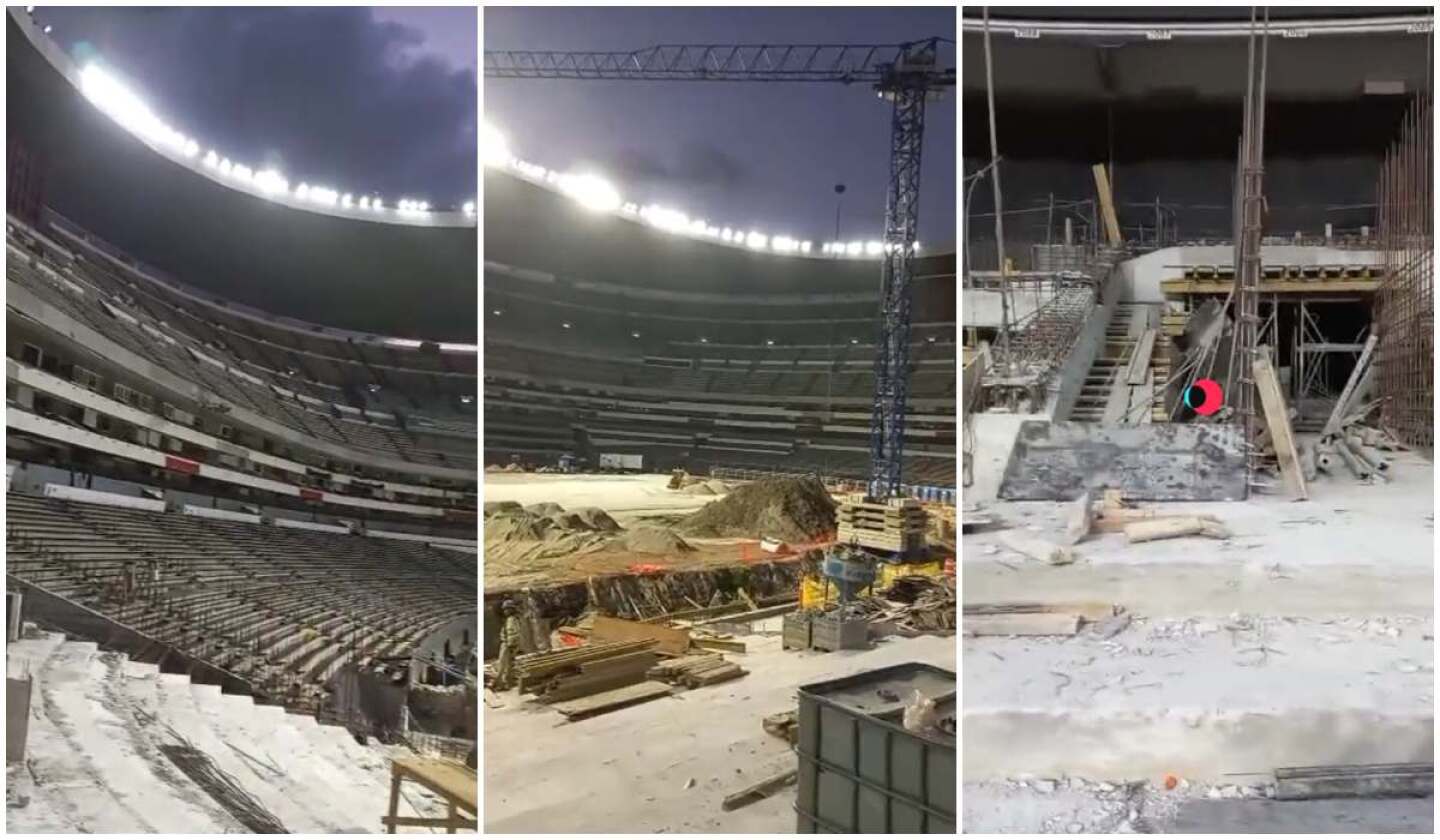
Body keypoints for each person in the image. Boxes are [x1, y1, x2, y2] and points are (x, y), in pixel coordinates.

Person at [493, 600, 523, 691]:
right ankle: (507, 683)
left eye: (506, 609)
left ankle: (499, 684)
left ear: (511, 609)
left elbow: (513, 633)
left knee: (502, 664)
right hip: (509, 644)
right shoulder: (511, 619)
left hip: (508, 644)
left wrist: (511, 645)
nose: (505, 611)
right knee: (508, 664)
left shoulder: (512, 620)